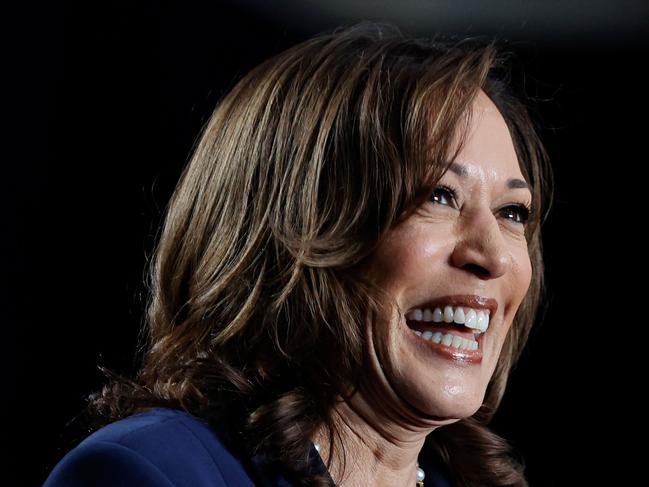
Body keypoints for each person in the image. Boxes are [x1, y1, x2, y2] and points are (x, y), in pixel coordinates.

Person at [44, 21, 552, 487]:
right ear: (298, 227)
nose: (496, 257)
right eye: (439, 196)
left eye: (512, 212)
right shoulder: (147, 473)